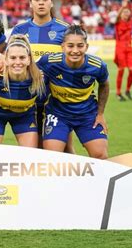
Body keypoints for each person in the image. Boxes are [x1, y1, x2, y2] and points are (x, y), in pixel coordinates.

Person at [10, 0, 73, 152]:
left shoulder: (65, 29)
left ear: (52, 2)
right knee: (36, 149)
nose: (41, 3)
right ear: (30, 3)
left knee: (66, 148)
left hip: (57, 99)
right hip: (28, 99)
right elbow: (10, 61)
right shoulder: (19, 30)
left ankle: (73, 179)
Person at [37, 25, 109, 159]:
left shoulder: (97, 65)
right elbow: (28, 67)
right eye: (70, 46)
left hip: (87, 114)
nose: (75, 50)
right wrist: (1, 62)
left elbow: (104, 85)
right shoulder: (49, 61)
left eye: (80, 46)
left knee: (100, 155)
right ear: (63, 46)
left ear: (86, 47)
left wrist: (100, 114)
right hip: (58, 113)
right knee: (52, 157)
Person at [0, 34, 45, 147]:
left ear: (29, 59)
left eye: (22, 58)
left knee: (30, 156)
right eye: (13, 58)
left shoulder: (39, 76)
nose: (18, 62)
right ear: (6, 60)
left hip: (24, 115)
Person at [114, 5, 132, 101]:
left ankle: (127, 90)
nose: (126, 13)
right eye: (124, 12)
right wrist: (122, 7)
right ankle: (118, 93)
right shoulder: (118, 22)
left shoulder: (131, 21)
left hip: (129, 48)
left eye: (128, 12)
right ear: (121, 13)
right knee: (121, 70)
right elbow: (117, 16)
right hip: (120, 48)